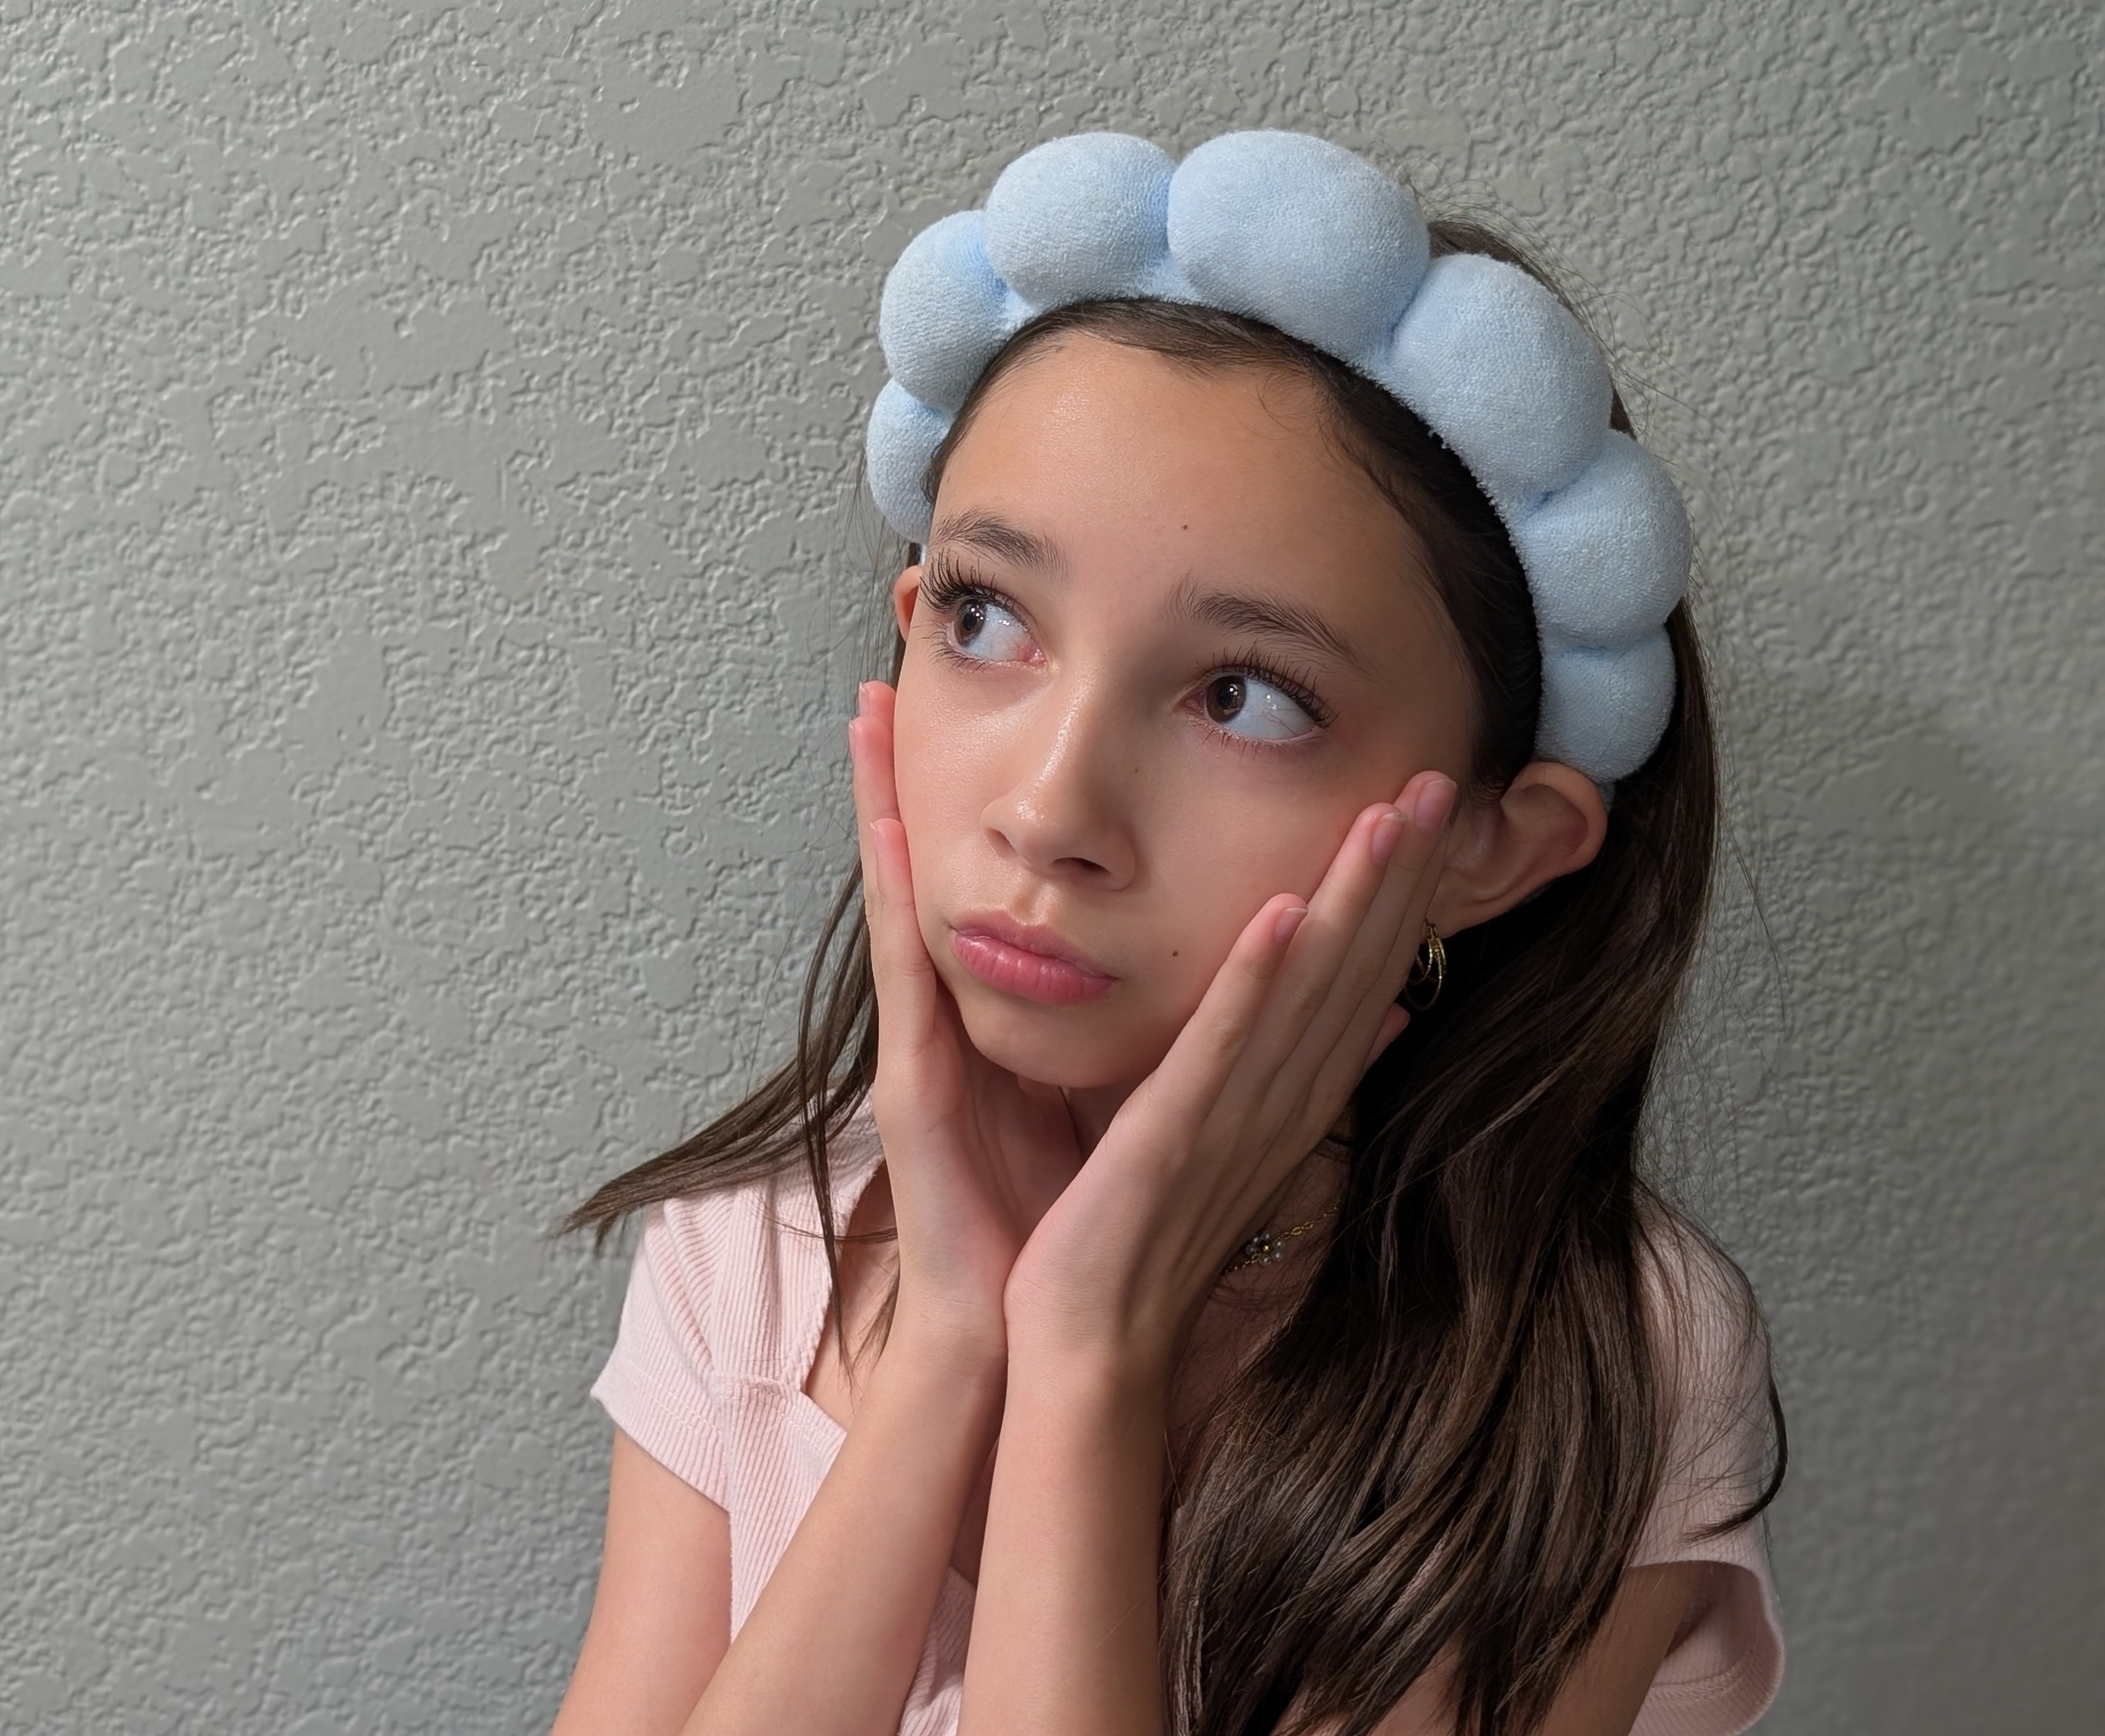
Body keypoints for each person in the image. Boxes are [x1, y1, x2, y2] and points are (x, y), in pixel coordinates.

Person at [550, 131, 1784, 1736]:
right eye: (990, 620)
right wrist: (945, 1352)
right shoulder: (755, 1247)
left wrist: (1086, 1355)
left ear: (1488, 846)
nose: (1051, 809)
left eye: (1243, 698)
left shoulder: (1585, 1369)